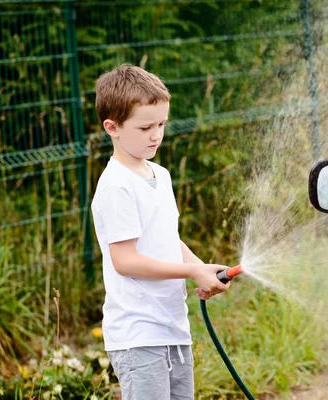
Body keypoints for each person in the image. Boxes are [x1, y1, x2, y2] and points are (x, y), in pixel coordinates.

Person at [91, 64, 230, 400]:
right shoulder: (116, 186)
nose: (156, 134)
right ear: (113, 127)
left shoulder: (161, 175)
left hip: (173, 328)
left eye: (162, 124)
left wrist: (201, 268)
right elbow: (126, 260)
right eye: (145, 127)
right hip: (139, 335)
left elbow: (167, 237)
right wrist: (191, 271)